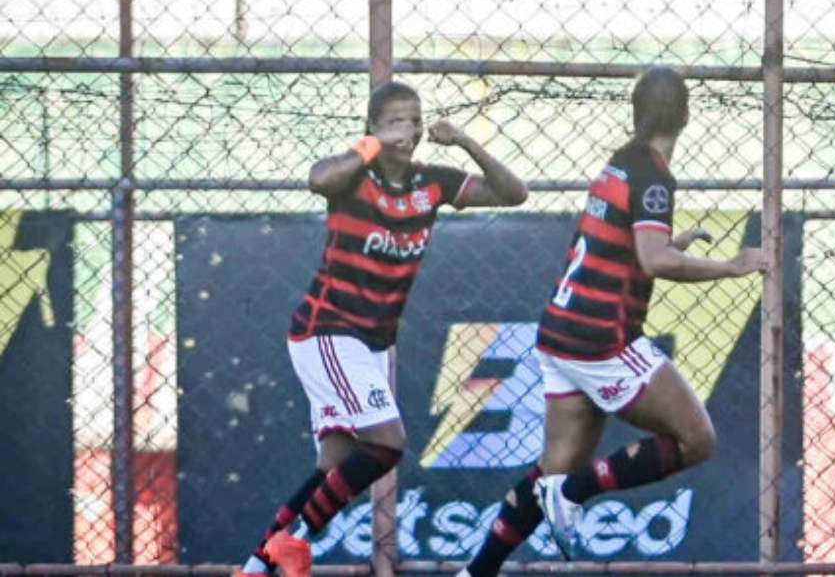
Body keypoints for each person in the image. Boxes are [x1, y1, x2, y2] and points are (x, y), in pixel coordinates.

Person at [458, 66, 765, 577]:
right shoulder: (654, 176)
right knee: (696, 439)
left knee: (555, 464)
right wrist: (732, 267)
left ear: (636, 113)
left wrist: (672, 244)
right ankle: (575, 494)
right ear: (685, 117)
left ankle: (476, 571)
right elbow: (654, 261)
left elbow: (632, 246)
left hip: (560, 332)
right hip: (601, 339)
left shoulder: (618, 164)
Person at [234, 80, 528, 577]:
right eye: (395, 120)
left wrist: (465, 142)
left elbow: (513, 192)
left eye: (414, 120)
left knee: (335, 468)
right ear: (372, 127)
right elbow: (318, 179)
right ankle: (292, 544)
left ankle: (255, 568)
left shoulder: (430, 182)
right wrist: (368, 146)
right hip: (327, 330)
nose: (407, 130)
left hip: (371, 344)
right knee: (387, 444)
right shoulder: (355, 174)